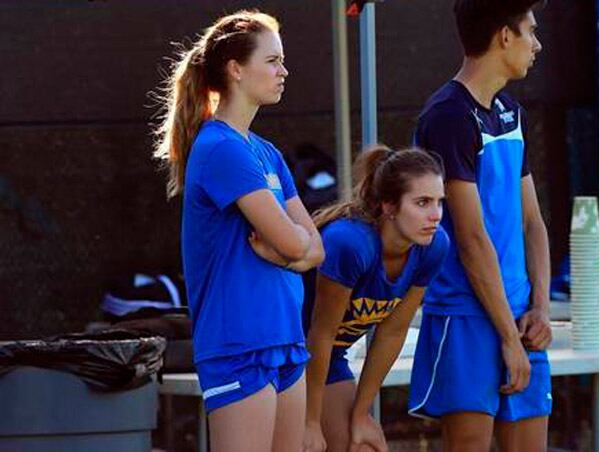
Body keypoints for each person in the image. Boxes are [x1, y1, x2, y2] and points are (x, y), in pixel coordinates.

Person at [152, 10, 324, 452]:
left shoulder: (266, 152)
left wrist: (286, 253)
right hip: (237, 345)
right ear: (235, 69)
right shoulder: (219, 147)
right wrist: (292, 250)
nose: (284, 71)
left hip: (286, 340)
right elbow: (294, 241)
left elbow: (315, 249)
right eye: (272, 61)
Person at [407, 1, 553, 451]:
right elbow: (470, 239)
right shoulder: (448, 115)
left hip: (521, 316)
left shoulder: (511, 112)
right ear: (504, 37)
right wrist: (507, 337)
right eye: (530, 31)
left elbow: (533, 222)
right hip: (466, 317)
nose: (537, 43)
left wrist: (541, 310)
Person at [303, 146, 449, 452]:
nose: (435, 215)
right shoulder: (351, 244)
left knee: (363, 444)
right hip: (278, 354)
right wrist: (311, 422)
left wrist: (361, 414)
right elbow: (321, 334)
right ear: (389, 206)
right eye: (422, 202)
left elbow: (392, 331)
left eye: (439, 202)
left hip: (327, 360)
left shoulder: (432, 246)